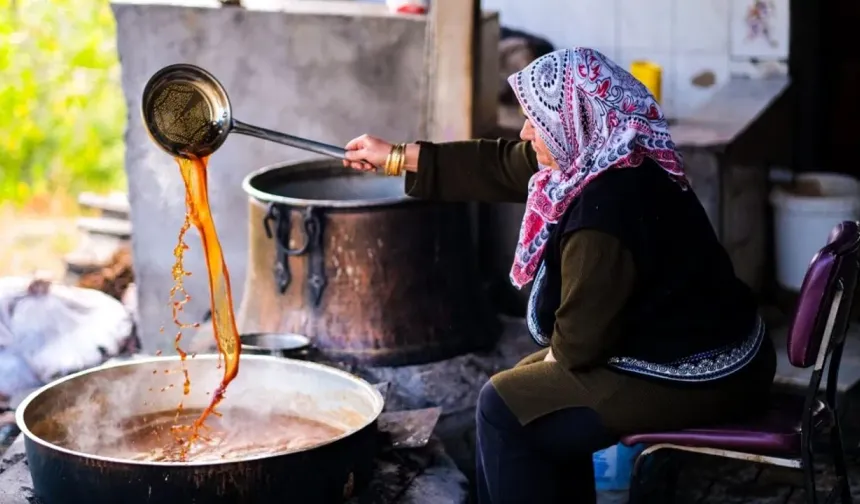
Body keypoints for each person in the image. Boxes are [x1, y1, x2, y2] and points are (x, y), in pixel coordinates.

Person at [343, 48, 776, 504]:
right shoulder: (617, 148)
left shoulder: (603, 217)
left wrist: (548, 367)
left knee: (504, 407)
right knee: (526, 396)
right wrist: (394, 156)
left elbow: (578, 346)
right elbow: (504, 163)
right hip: (711, 339)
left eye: (537, 119)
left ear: (575, 122)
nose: (527, 131)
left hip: (707, 372)